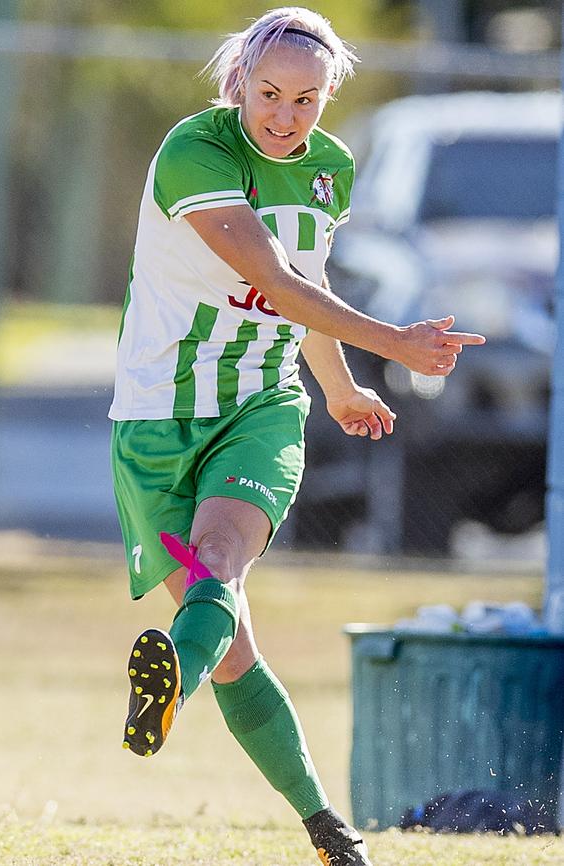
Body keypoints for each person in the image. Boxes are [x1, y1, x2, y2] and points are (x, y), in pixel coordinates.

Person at [109, 8, 485, 865]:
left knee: (219, 561)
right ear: (239, 80)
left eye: (307, 101)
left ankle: (176, 680)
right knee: (232, 643)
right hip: (156, 420)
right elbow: (273, 280)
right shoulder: (194, 151)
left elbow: (305, 285)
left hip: (261, 404)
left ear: (327, 100)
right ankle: (322, 822)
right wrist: (393, 344)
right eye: (269, 94)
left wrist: (340, 385)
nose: (285, 116)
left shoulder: (331, 170)